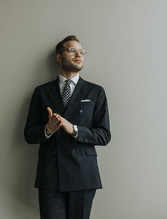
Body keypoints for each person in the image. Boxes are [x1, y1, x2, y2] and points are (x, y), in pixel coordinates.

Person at [24, 35, 111, 219]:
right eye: (72, 50)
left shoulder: (96, 92)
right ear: (58, 56)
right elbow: (29, 135)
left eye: (82, 51)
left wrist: (75, 129)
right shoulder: (41, 92)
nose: (79, 54)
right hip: (50, 176)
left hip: (83, 175)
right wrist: (47, 129)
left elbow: (104, 135)